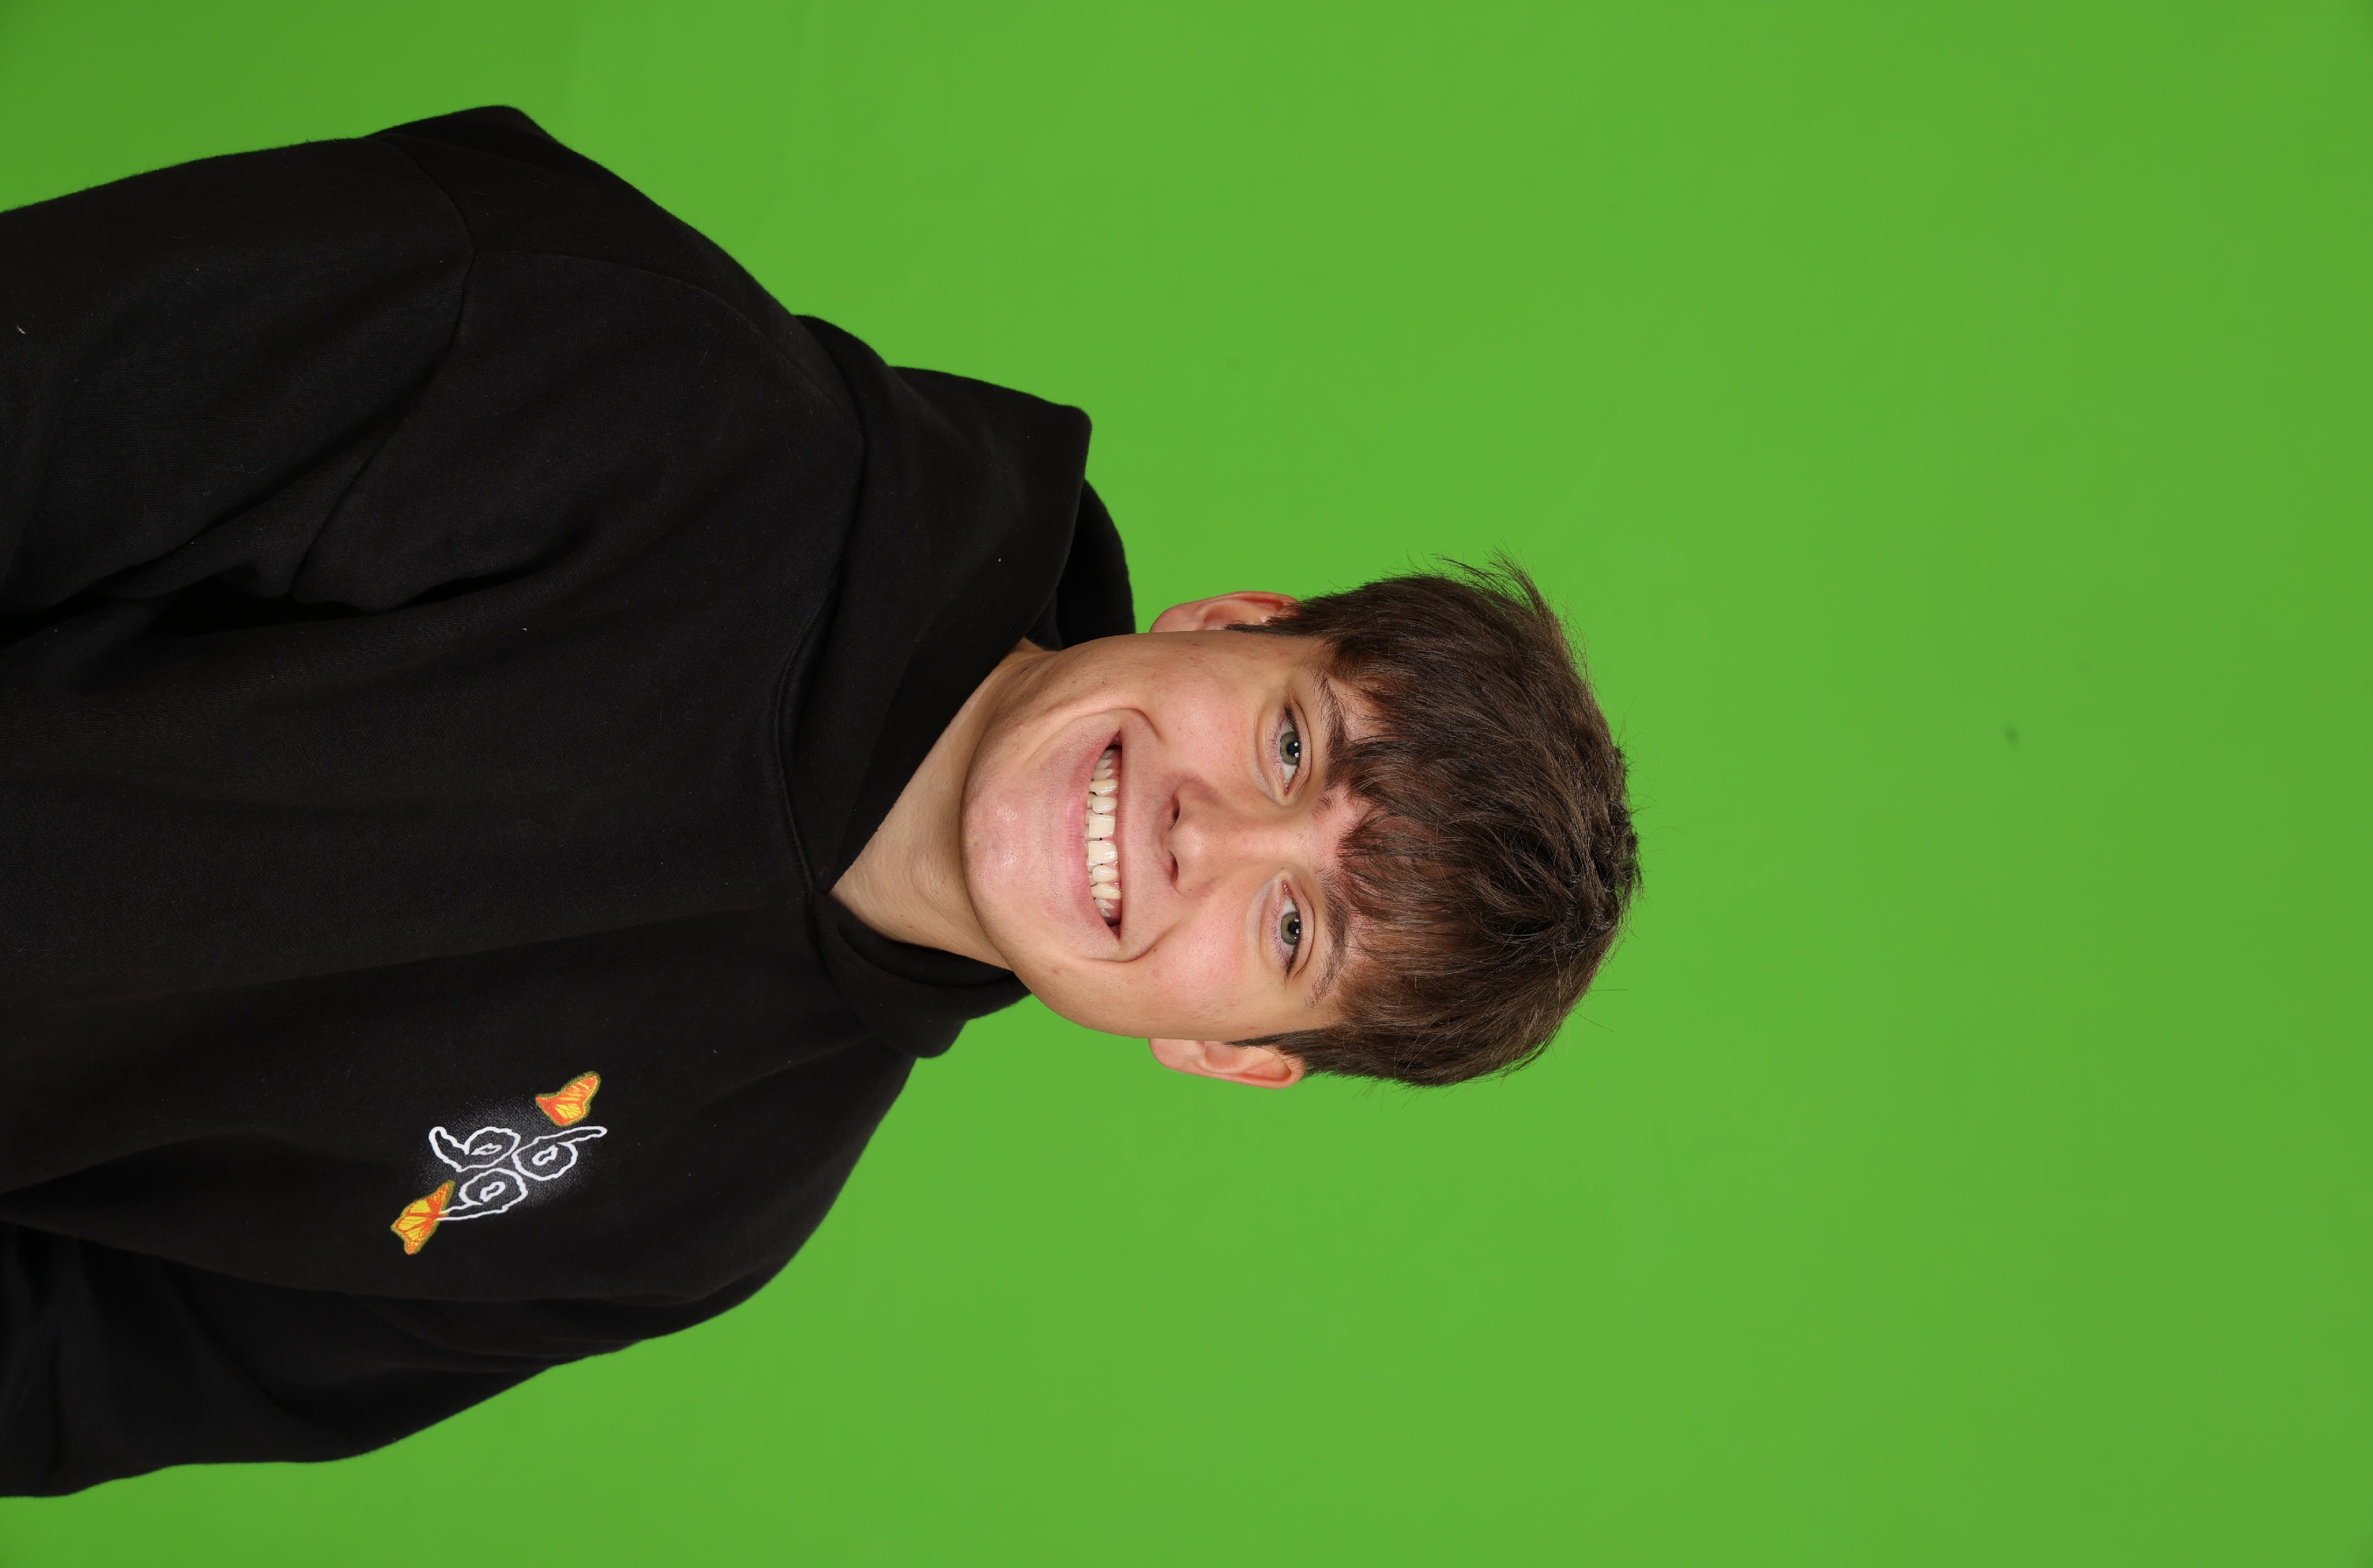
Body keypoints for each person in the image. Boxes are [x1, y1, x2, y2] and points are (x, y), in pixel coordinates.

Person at [0, 107, 1639, 1495]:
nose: (1201, 834)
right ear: (1232, 624)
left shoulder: (699, 1216)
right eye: (1291, 748)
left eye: (1292, 929)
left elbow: (78, 1368)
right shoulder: (625, 376)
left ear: (1229, 1052)